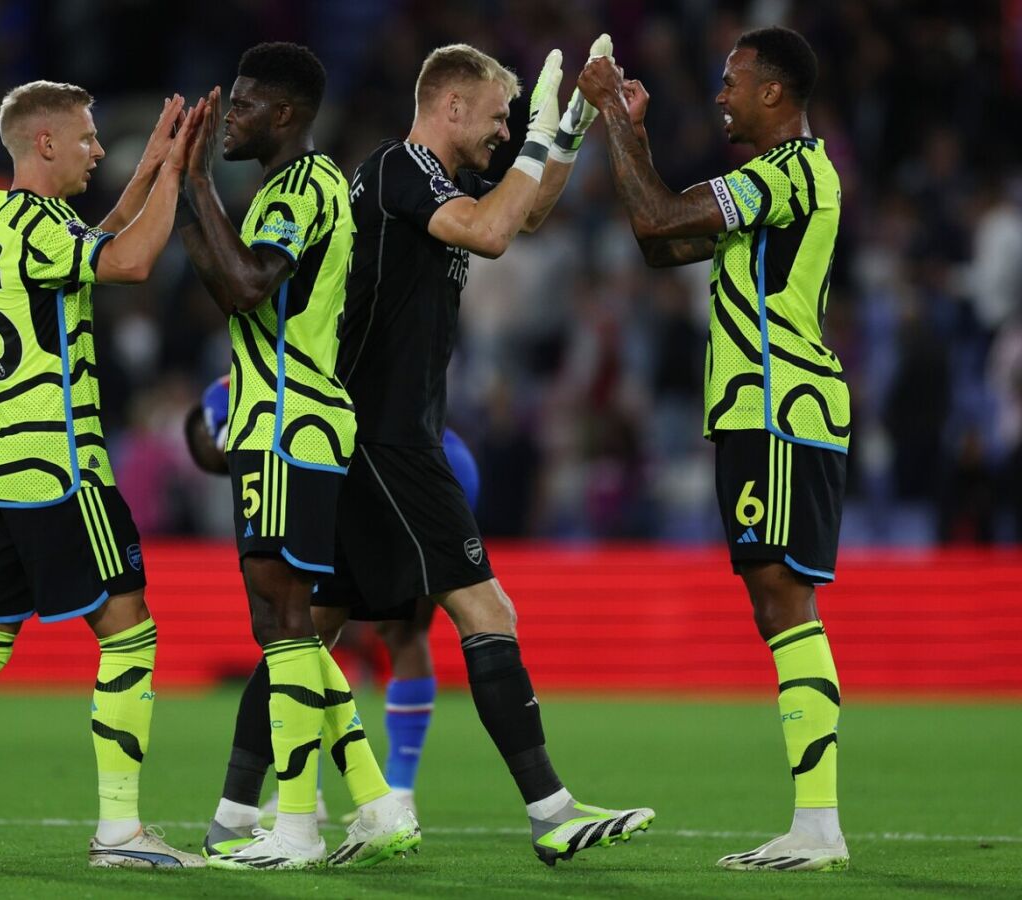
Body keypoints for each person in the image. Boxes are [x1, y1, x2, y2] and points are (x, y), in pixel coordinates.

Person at [206, 38, 656, 868]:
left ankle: (235, 812)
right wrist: (535, 144)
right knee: (485, 610)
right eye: (493, 118)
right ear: (448, 107)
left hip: (359, 435)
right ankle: (550, 809)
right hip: (385, 437)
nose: (498, 134)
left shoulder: (429, 181)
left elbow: (526, 211)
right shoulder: (398, 170)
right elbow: (492, 232)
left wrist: (575, 125)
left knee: (307, 635)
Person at [0, 82, 205, 869]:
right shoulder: (41, 226)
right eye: (89, 139)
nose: (98, 151)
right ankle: (119, 831)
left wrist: (148, 169)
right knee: (131, 631)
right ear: (44, 143)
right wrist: (177, 173)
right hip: (59, 464)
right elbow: (130, 260)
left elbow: (91, 244)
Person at [577, 25, 850, 872]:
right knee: (775, 602)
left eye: (733, 83)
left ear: (774, 93)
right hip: (754, 410)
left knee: (784, 599)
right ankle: (814, 822)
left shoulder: (793, 174)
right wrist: (634, 131)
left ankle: (819, 825)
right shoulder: (765, 186)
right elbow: (659, 242)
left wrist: (614, 118)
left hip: (780, 403)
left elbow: (657, 214)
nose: (721, 95)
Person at [176, 42, 418, 871]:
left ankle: (295, 829)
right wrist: (194, 190)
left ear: (285, 115)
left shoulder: (302, 188)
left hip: (286, 423)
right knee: (292, 628)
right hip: (288, 421)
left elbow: (248, 284)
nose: (229, 118)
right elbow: (232, 288)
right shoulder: (293, 189)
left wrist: (194, 179)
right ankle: (376, 801)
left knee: (282, 623)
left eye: (243, 107)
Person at [185, 379, 480, 819]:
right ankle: (396, 791)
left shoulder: (250, 374)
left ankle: (306, 793)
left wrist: (230, 441)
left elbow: (216, 415)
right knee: (399, 631)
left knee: (304, 631)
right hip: (438, 457)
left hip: (363, 465)